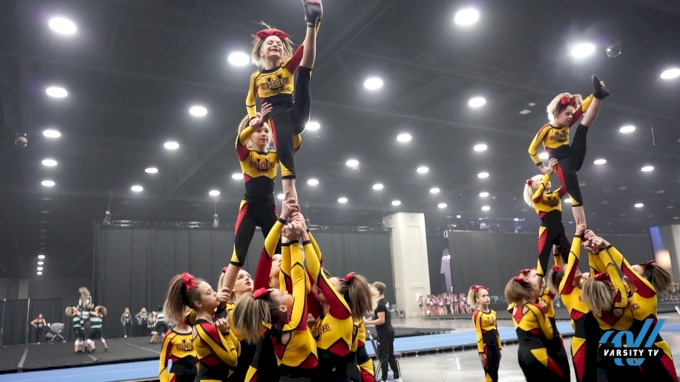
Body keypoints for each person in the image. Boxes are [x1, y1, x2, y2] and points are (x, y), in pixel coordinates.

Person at [245, 1, 323, 204]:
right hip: (278, 119)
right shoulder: (256, 77)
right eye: (270, 43)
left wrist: (315, 25)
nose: (276, 45)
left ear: (283, 52)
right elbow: (250, 101)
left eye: (279, 44)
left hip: (296, 113)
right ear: (261, 51)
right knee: (287, 166)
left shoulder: (287, 68)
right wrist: (254, 119)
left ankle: (311, 19)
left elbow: (306, 48)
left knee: (304, 73)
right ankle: (292, 208)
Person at [233, 217, 318, 382]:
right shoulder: (291, 321)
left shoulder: (273, 319)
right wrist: (292, 241)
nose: (286, 292)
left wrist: (286, 242)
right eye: (275, 259)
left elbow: (288, 281)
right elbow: (296, 278)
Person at [584, 232, 672, 380]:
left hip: (653, 347)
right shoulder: (625, 293)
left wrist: (606, 245)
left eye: (634, 270)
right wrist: (595, 252)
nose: (630, 270)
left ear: (642, 279)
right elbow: (602, 274)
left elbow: (623, 266)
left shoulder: (647, 293)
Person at [528, 75, 609, 226]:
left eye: (572, 113)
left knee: (582, 128)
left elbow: (583, 108)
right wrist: (543, 167)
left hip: (573, 155)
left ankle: (599, 95)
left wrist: (593, 94)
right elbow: (532, 149)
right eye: (567, 114)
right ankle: (583, 229)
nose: (571, 117)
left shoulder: (567, 123)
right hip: (563, 164)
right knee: (575, 194)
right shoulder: (546, 129)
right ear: (556, 114)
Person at [301, 215, 373, 382]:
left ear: (339, 297)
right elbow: (306, 279)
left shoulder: (342, 314)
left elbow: (316, 272)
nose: (322, 287)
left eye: (329, 285)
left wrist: (305, 234)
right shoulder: (320, 315)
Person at [579, 229, 642, 381]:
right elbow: (612, 271)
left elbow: (595, 277)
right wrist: (601, 249)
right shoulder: (620, 302)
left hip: (603, 351)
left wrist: (592, 252)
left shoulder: (593, 305)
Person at [547, 225, 599, 382]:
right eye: (569, 270)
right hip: (582, 345)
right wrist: (577, 235)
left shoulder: (585, 285)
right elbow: (572, 261)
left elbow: (596, 269)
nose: (575, 270)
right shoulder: (567, 291)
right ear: (564, 279)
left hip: (601, 341)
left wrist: (593, 247)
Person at [505, 275, 567, 382]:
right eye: (535, 286)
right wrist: (545, 311)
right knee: (561, 377)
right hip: (537, 353)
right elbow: (549, 334)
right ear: (532, 293)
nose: (539, 286)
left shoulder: (513, 307)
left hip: (521, 355)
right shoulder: (536, 308)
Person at [523, 158, 571, 277]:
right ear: (534, 185)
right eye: (541, 179)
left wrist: (559, 169)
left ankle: (571, 282)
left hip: (560, 230)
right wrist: (548, 174)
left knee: (571, 260)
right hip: (546, 231)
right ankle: (538, 286)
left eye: (545, 178)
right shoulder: (536, 198)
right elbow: (539, 192)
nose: (546, 180)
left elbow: (567, 184)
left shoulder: (556, 195)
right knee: (542, 262)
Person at [160, 283, 198, 382]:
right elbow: (163, 363)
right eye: (184, 310)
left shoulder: (197, 332)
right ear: (176, 312)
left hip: (196, 376)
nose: (187, 313)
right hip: (177, 378)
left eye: (190, 310)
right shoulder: (170, 336)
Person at [365, 282, 402, 382]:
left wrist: (367, 322)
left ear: (376, 291)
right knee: (390, 355)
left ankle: (384, 379)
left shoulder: (380, 304)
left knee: (383, 356)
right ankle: (397, 377)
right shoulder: (385, 301)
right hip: (389, 330)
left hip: (384, 332)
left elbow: (381, 320)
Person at [469, 285, 501, 382]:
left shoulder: (493, 313)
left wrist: (499, 347)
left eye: (487, 295)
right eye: (483, 296)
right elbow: (478, 333)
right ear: (477, 299)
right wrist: (481, 352)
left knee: (495, 374)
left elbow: (496, 331)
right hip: (486, 348)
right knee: (489, 373)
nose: (487, 298)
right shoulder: (477, 314)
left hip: (495, 346)